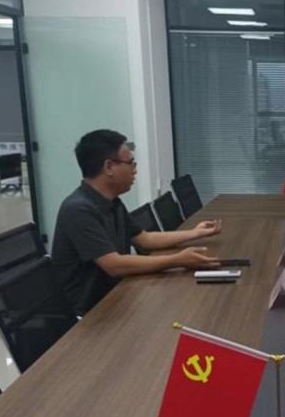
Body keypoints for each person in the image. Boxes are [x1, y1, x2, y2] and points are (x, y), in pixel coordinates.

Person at [52, 129, 221, 317]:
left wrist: (195, 233)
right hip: (90, 316)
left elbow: (145, 239)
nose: (135, 169)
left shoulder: (112, 202)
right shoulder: (78, 210)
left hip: (119, 297)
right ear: (109, 167)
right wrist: (177, 260)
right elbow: (114, 265)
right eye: (131, 163)